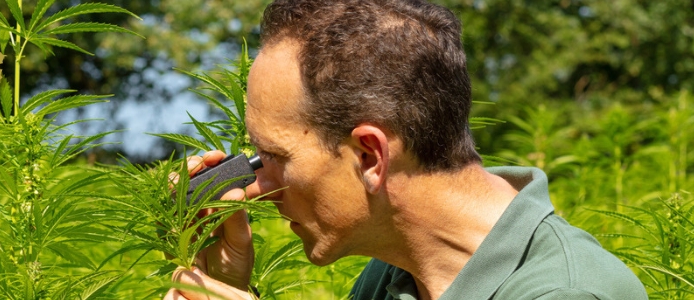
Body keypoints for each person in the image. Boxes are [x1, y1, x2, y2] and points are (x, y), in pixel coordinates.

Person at [164, 0, 648, 299]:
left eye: (274, 158)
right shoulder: (398, 273)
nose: (256, 188)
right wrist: (228, 286)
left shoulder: (568, 293)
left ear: (370, 157)